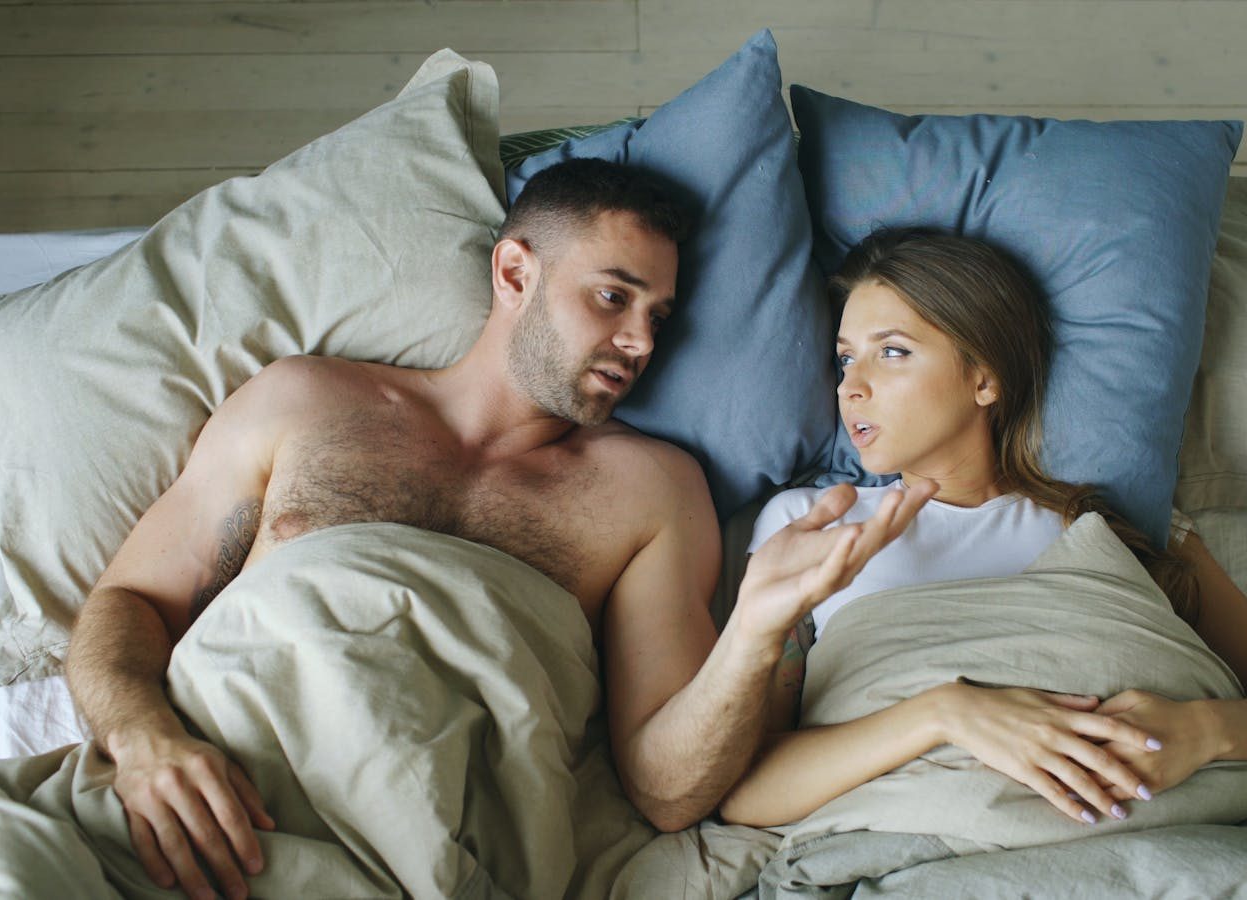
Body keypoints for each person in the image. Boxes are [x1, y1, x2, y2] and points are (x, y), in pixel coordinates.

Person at [64, 158, 930, 900]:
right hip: (193, 803)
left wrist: (756, 630)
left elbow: (665, 791)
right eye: (613, 297)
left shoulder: (652, 490)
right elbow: (129, 601)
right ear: (515, 273)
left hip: (426, 836)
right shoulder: (303, 400)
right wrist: (145, 741)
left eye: (658, 317)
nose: (639, 342)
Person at [718, 227, 1247, 830]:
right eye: (846, 358)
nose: (851, 387)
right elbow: (748, 793)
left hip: (1151, 841)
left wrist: (1201, 731)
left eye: (893, 352)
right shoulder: (810, 527)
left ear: (984, 378)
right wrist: (944, 713)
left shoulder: (1106, 530)